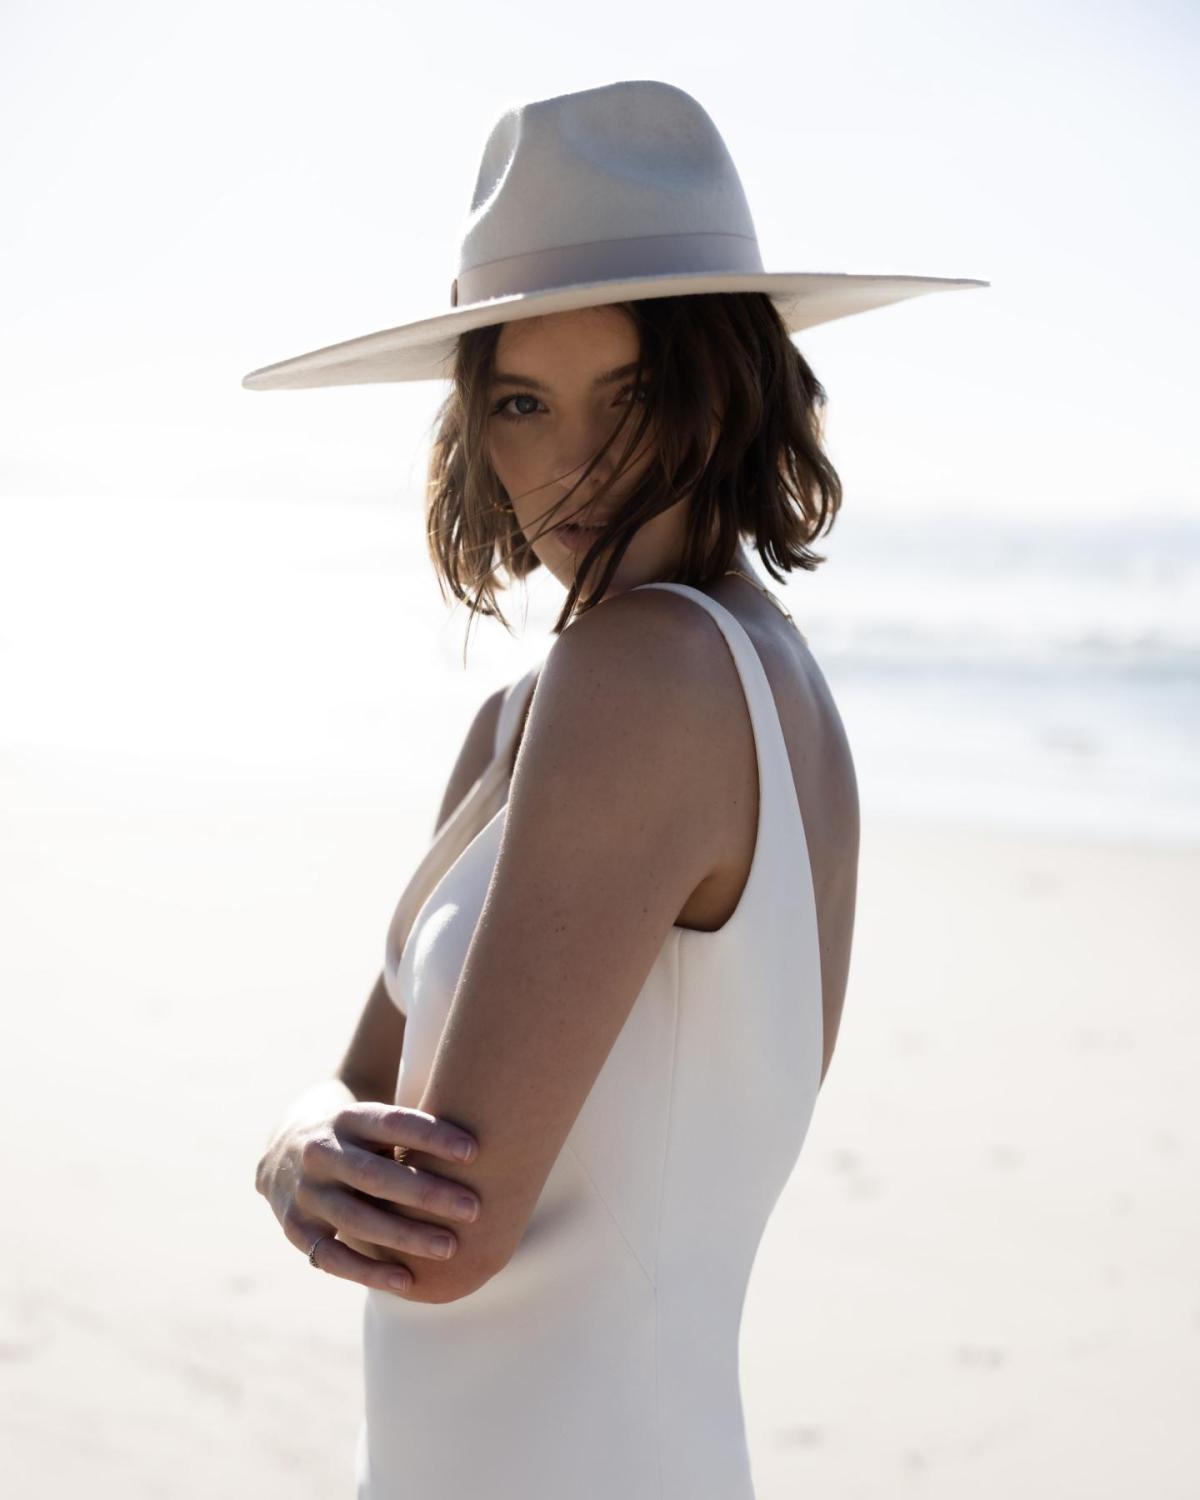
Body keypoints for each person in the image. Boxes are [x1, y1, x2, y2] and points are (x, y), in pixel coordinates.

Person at [247, 79, 986, 1500]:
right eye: (521, 401)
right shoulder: (664, 698)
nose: (570, 463)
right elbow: (349, 1092)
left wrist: (299, 1169)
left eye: (632, 394)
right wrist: (295, 1144)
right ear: (477, 425)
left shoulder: (644, 676)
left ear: (731, 384)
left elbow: (432, 1239)